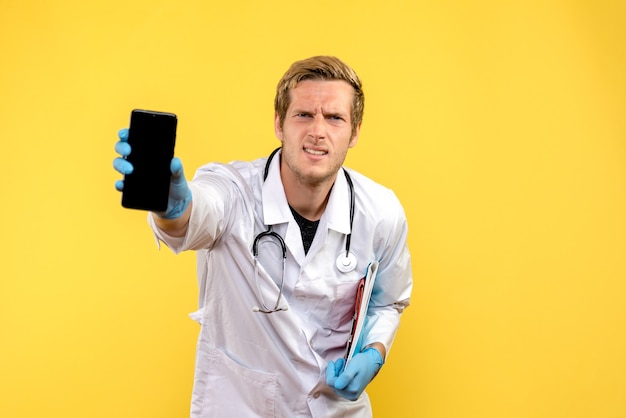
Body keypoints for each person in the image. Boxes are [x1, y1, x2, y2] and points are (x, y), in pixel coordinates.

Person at [113, 55, 412, 417]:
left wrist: (374, 352)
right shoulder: (234, 190)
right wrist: (174, 209)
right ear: (279, 123)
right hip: (242, 406)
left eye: (334, 118)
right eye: (303, 115)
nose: (317, 131)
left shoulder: (381, 211)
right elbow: (197, 216)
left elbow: (388, 302)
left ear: (355, 132)